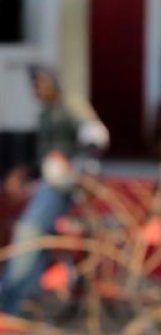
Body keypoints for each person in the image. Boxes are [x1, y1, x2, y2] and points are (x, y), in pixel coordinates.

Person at [0, 65, 108, 319]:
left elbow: (96, 137)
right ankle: (21, 300)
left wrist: (79, 167)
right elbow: (44, 158)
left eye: (40, 84)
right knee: (36, 240)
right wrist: (24, 172)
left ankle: (9, 302)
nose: (37, 90)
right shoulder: (46, 113)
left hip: (67, 185)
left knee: (29, 232)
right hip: (50, 181)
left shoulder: (71, 105)